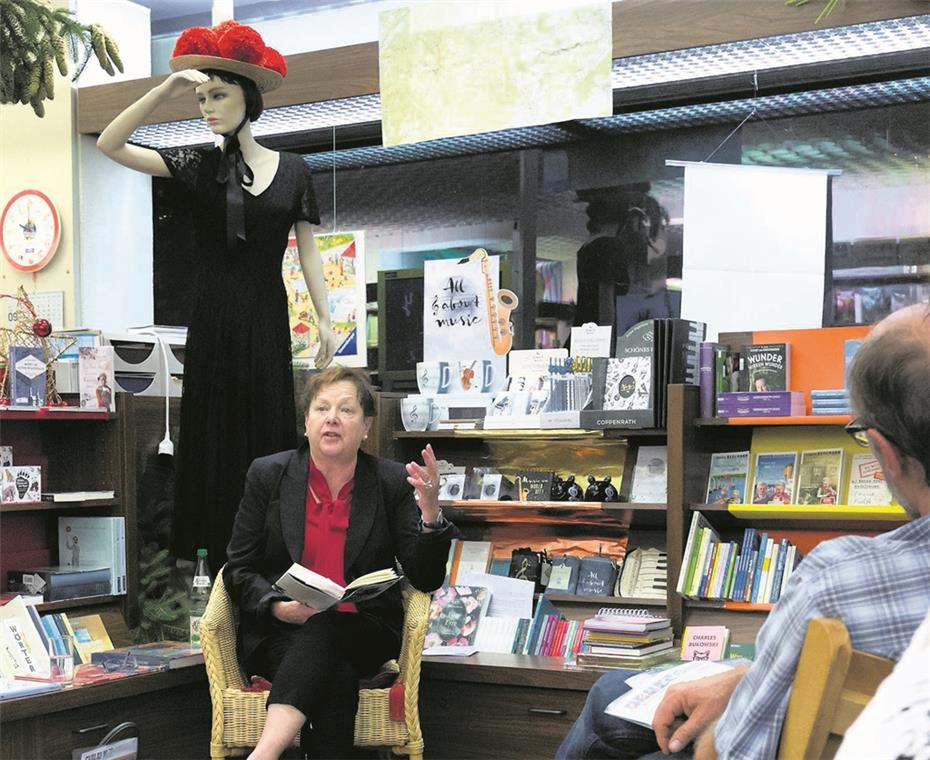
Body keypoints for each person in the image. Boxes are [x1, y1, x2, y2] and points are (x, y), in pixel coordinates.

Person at [556, 304, 930, 760]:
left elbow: (733, 750)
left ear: (885, 454)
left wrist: (735, 703)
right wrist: (744, 680)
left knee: (609, 709)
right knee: (613, 695)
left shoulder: (838, 582)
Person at [97, 21, 337, 565]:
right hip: (212, 319)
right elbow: (111, 144)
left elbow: (308, 252)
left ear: (248, 99)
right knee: (211, 434)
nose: (206, 106)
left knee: (267, 429)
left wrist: (325, 319)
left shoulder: (295, 170)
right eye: (202, 97)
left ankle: (271, 552)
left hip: (265, 316)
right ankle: (219, 562)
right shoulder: (197, 166)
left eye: (218, 95)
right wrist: (164, 90)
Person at [223, 367, 456, 759]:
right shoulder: (268, 475)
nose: (332, 418)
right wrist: (280, 608)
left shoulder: (390, 481)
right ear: (307, 421)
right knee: (336, 678)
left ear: (366, 426)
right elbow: (238, 568)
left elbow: (425, 577)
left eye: (346, 410)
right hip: (281, 632)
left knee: (330, 627)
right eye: (322, 408)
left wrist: (430, 515)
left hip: (364, 627)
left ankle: (263, 754)